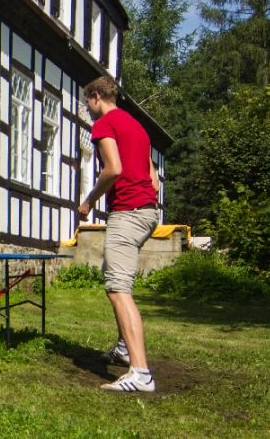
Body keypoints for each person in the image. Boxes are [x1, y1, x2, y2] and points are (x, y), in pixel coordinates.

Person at [77, 75, 160, 393]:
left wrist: (89, 201)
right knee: (116, 277)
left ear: (96, 96)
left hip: (128, 212)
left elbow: (113, 168)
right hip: (147, 212)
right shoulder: (137, 127)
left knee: (118, 289)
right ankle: (125, 348)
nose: (87, 108)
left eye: (87, 101)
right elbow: (153, 179)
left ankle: (140, 373)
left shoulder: (104, 125)